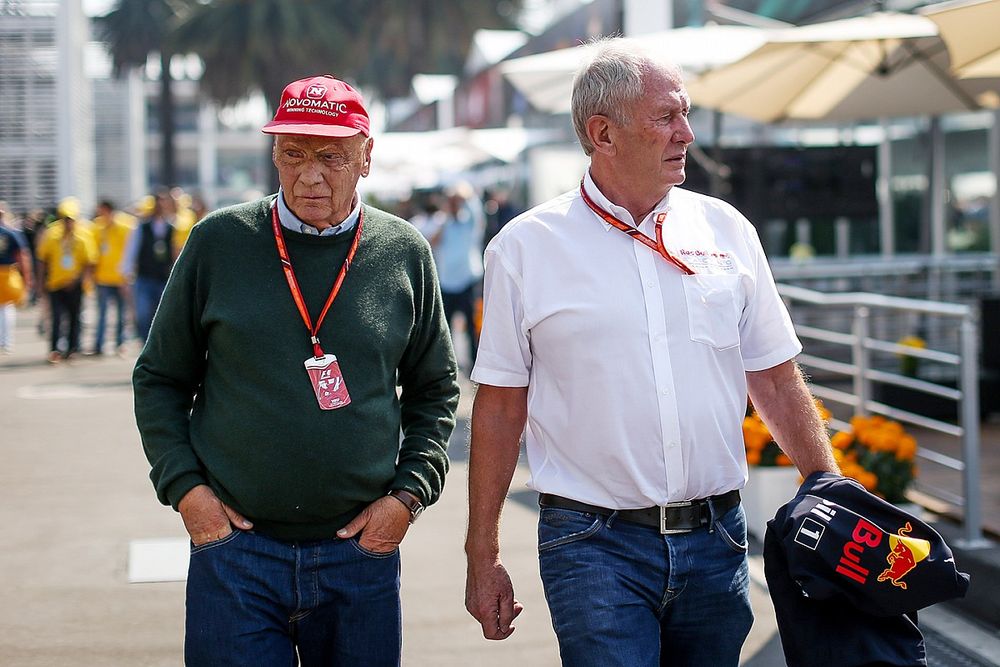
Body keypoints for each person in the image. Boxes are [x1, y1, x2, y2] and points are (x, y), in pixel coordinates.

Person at [464, 38, 840, 667]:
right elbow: (500, 408)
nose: (686, 134)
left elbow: (774, 377)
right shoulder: (523, 248)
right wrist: (483, 554)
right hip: (592, 544)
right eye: (666, 117)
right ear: (602, 133)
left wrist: (831, 487)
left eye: (684, 114)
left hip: (718, 540)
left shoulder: (727, 229)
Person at [132, 74, 459, 666]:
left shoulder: (404, 251)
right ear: (274, 154)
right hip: (235, 553)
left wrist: (407, 497)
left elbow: (435, 390)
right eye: (293, 154)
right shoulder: (218, 243)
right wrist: (187, 493)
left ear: (365, 157)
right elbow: (159, 378)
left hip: (361, 553)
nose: (309, 176)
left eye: (330, 157)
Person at [413, 184, 485, 369]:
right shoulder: (440, 223)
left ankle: (475, 362)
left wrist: (461, 194)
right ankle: (447, 364)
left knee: (472, 327)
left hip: (468, 281)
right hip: (446, 283)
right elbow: (431, 243)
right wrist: (445, 219)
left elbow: (474, 205)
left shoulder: (469, 222)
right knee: (445, 329)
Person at [35, 201, 96, 363]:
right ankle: (55, 349)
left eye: (71, 219)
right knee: (56, 317)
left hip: (75, 285)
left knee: (74, 317)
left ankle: (72, 348)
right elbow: (42, 260)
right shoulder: (51, 234)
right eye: (65, 219)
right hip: (55, 284)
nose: (68, 223)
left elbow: (89, 263)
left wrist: (83, 282)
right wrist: (40, 283)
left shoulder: (83, 236)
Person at [120, 189, 177, 342]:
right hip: (144, 276)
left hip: (163, 276)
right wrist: (126, 273)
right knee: (143, 313)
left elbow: (174, 252)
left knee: (162, 313)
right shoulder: (141, 227)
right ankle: (145, 343)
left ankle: (159, 343)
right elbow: (131, 250)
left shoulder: (171, 226)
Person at [89, 200, 135, 355]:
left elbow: (130, 252)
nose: (100, 214)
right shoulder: (97, 226)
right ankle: (99, 344)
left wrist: (127, 275)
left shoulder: (125, 225)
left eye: (102, 211)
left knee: (122, 313)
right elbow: (93, 251)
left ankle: (121, 343)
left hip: (120, 278)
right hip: (102, 278)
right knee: (102, 312)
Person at [0, 205, 32, 353]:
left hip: (7, 273)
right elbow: (23, 256)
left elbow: (22, 256)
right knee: (7, 308)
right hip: (7, 273)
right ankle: (6, 341)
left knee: (6, 308)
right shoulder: (11, 232)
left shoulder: (11, 233)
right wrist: (27, 278)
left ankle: (5, 341)